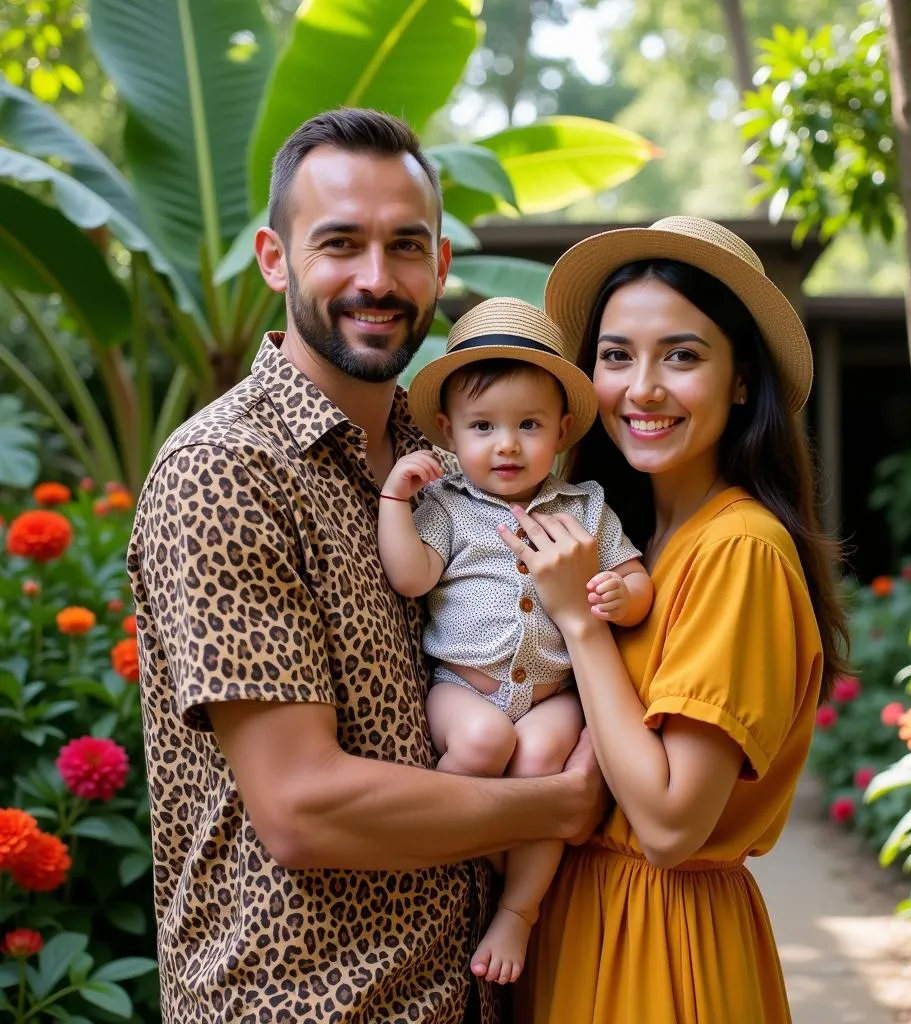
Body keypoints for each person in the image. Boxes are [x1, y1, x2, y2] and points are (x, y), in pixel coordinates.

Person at [126, 108, 605, 1024]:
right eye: (340, 243)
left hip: (459, 994)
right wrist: (557, 803)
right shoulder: (227, 471)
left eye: (406, 246)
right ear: (275, 258)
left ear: (441, 266)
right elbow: (304, 809)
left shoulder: (454, 461)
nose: (377, 280)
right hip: (299, 1006)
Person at [509, 216, 851, 1023]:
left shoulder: (740, 551)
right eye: (618, 355)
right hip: (580, 925)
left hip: (664, 948)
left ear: (741, 381)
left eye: (683, 355)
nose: (644, 388)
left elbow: (668, 824)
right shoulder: (634, 542)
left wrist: (581, 624)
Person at [377, 297, 653, 987]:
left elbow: (632, 572)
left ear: (561, 431)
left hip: (552, 691)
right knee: (481, 745)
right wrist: (394, 503)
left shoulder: (585, 506)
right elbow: (411, 579)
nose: (506, 445)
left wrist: (623, 596)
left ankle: (518, 910)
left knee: (540, 763)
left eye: (528, 425)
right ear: (447, 431)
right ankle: (423, 846)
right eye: (483, 426)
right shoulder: (444, 508)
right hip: (463, 687)